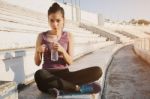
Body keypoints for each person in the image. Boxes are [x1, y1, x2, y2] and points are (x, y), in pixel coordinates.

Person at [34, 2, 102, 97]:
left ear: (63, 20)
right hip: (47, 74)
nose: (55, 24)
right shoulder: (41, 36)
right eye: (51, 20)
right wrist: (38, 51)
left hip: (65, 75)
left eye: (58, 20)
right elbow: (37, 63)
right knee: (39, 75)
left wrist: (62, 51)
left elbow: (70, 62)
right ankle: (77, 88)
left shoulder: (69, 36)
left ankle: (57, 89)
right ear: (48, 20)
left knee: (97, 71)